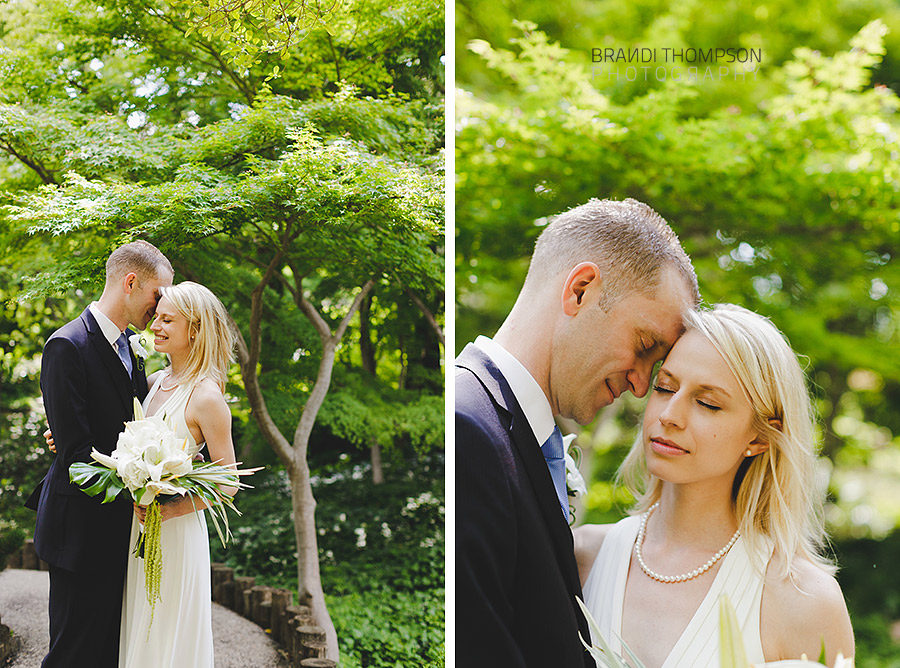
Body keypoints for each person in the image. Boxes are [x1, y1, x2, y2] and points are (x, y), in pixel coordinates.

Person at [456, 198, 700, 667]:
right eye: (645, 346)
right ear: (581, 290)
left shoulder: (516, 438)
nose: (640, 386)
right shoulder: (468, 429)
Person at [575, 304, 855, 668]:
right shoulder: (582, 557)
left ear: (760, 437)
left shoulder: (805, 601)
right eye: (664, 387)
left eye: (707, 404)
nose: (669, 415)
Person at [25, 240, 174, 668]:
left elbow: (130, 425)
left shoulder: (133, 346)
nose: (160, 306)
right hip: (81, 531)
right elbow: (76, 456)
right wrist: (142, 483)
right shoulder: (67, 345)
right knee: (75, 652)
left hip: (118, 530)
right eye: (157, 294)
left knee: (110, 650)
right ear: (131, 282)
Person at [118, 280, 238, 667]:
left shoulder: (206, 397)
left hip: (177, 531)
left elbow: (229, 481)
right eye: (157, 316)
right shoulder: (153, 384)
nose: (156, 325)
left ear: (195, 329)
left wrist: (172, 510)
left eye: (168, 320)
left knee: (169, 632)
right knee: (141, 626)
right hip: (140, 528)